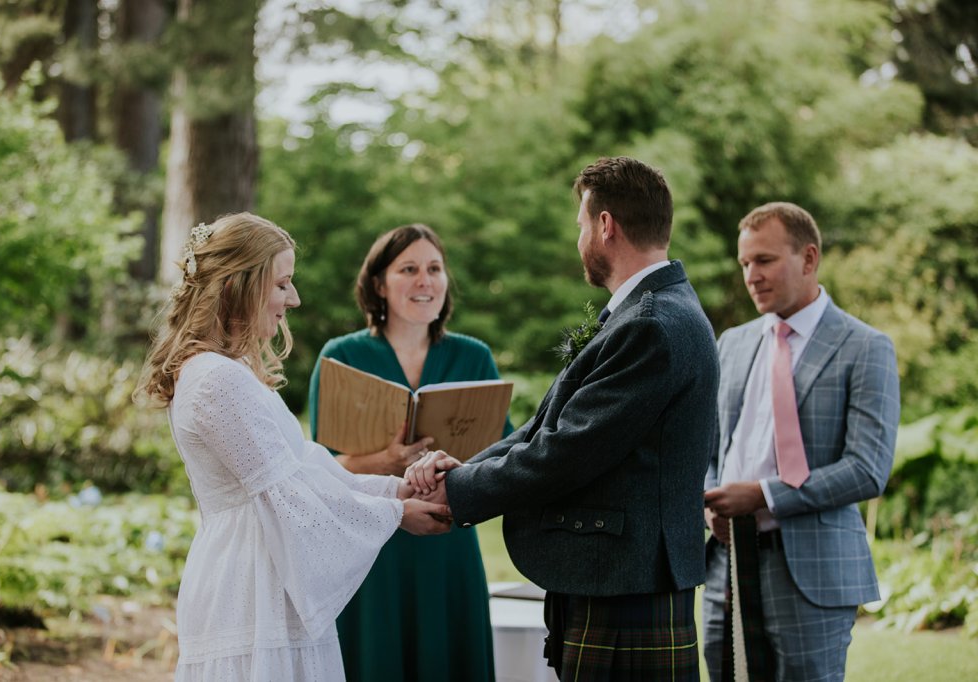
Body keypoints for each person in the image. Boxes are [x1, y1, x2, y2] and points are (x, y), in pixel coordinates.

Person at [407, 156, 720, 681]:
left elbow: (568, 450)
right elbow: (545, 427)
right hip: (618, 579)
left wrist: (457, 492)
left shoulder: (651, 325)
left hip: (624, 583)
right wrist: (459, 472)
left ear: (605, 226)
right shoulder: (651, 311)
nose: (579, 240)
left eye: (581, 225)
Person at [132, 212, 451, 682]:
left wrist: (394, 492)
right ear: (237, 286)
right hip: (250, 586)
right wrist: (396, 516)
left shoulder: (229, 369)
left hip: (264, 574)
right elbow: (287, 497)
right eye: (282, 284)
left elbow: (304, 469)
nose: (294, 299)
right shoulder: (216, 379)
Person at [702, 202, 900, 682]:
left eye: (765, 260)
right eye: (745, 263)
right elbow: (710, 449)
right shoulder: (732, 342)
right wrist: (707, 502)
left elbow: (867, 468)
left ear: (808, 259)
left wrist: (764, 496)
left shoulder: (865, 347)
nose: (752, 275)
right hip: (725, 566)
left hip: (811, 572)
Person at [306, 223, 510, 682]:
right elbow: (319, 469)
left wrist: (452, 466)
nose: (425, 281)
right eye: (409, 269)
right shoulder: (340, 357)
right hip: (372, 547)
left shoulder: (473, 356)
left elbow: (501, 453)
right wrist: (390, 460)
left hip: (448, 541)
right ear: (379, 284)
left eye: (434, 269)